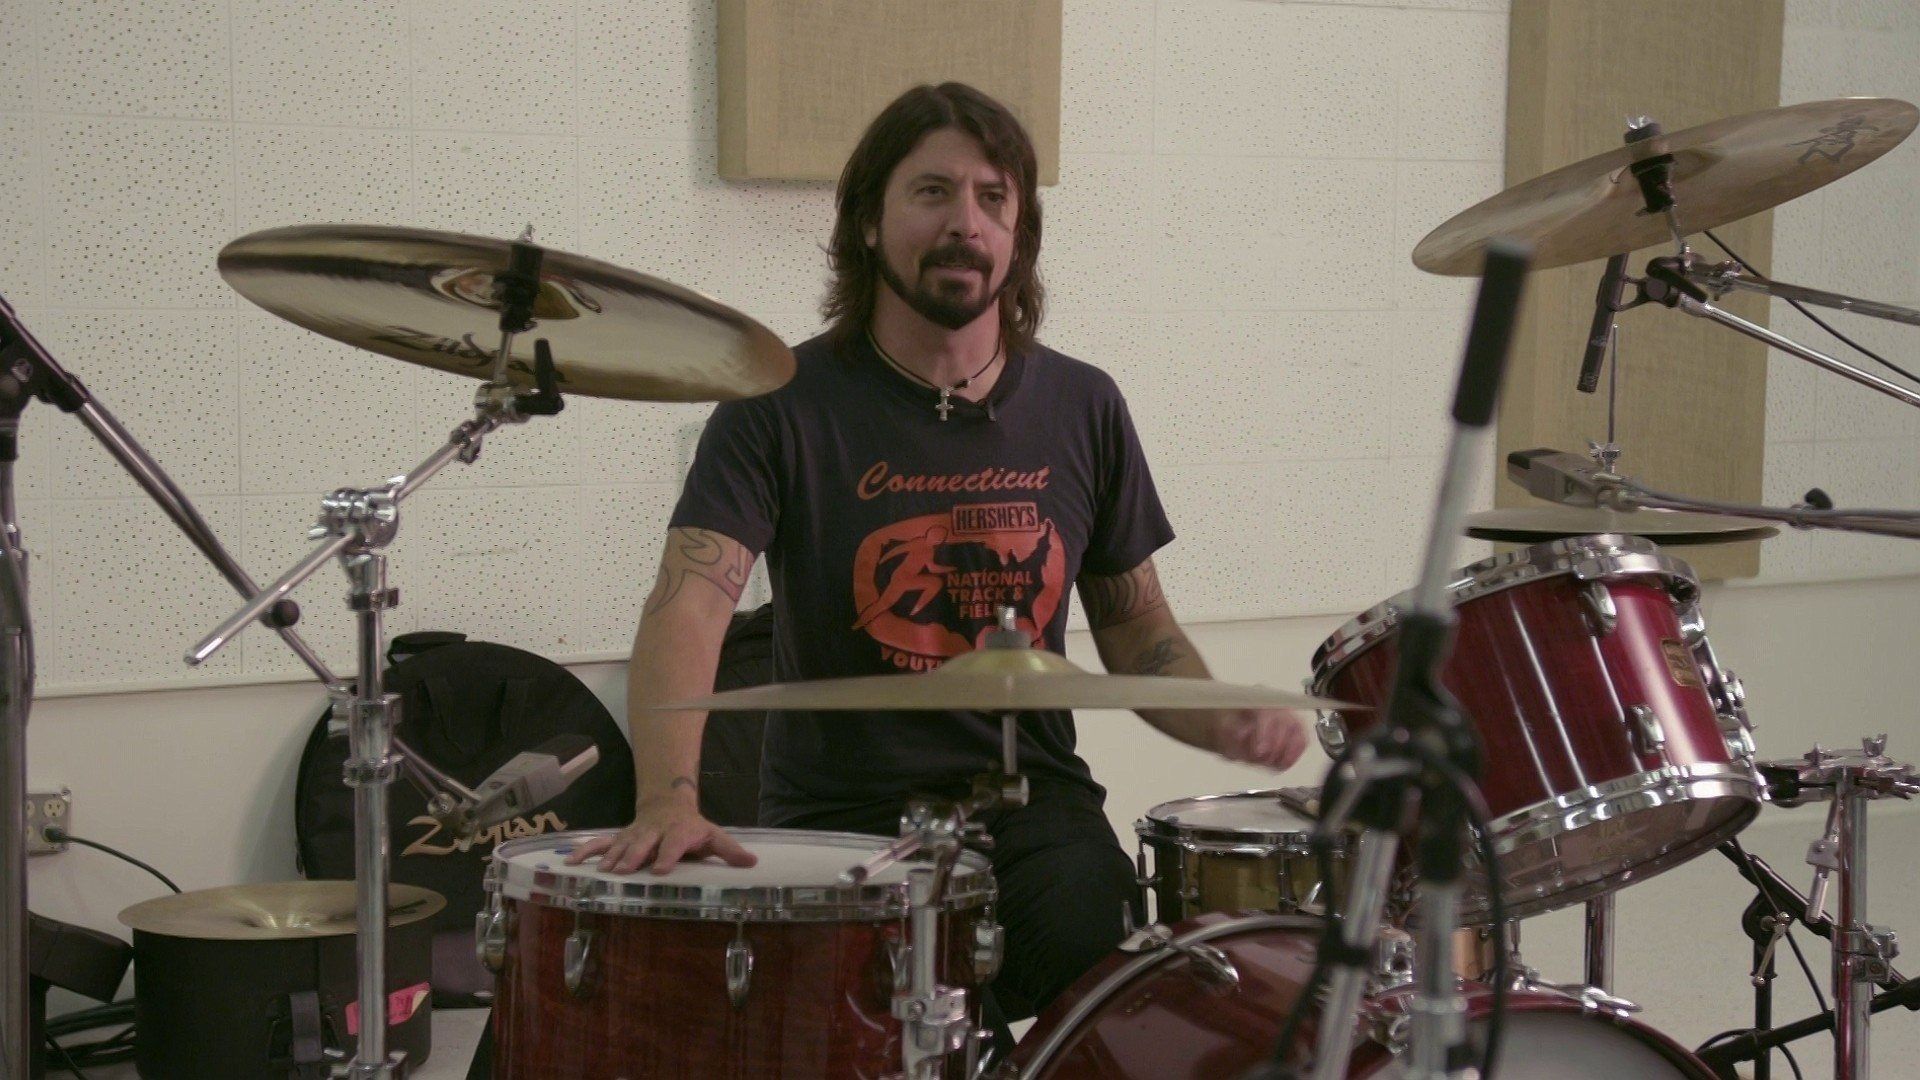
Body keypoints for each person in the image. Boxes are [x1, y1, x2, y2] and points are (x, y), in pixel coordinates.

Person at [567, 81, 1310, 1045]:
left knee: (1122, 1011)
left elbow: (1138, 626)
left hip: (1035, 810)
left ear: (1019, 233)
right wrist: (668, 796)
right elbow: (690, 602)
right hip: (841, 818)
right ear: (868, 223)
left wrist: (1219, 714)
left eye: (993, 198)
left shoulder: (1084, 406)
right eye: (932, 191)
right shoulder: (779, 403)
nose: (966, 221)